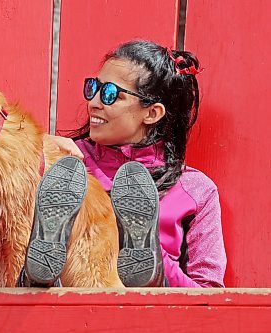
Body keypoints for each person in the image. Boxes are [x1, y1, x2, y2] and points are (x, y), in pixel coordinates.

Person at [23, 40, 227, 288]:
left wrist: (157, 261)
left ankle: (148, 265)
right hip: (67, 307)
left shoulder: (196, 189)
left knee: (142, 268)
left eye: (110, 94)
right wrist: (34, 151)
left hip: (148, 319)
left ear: (152, 113)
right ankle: (37, 276)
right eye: (93, 88)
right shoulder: (65, 163)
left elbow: (209, 297)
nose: (94, 102)